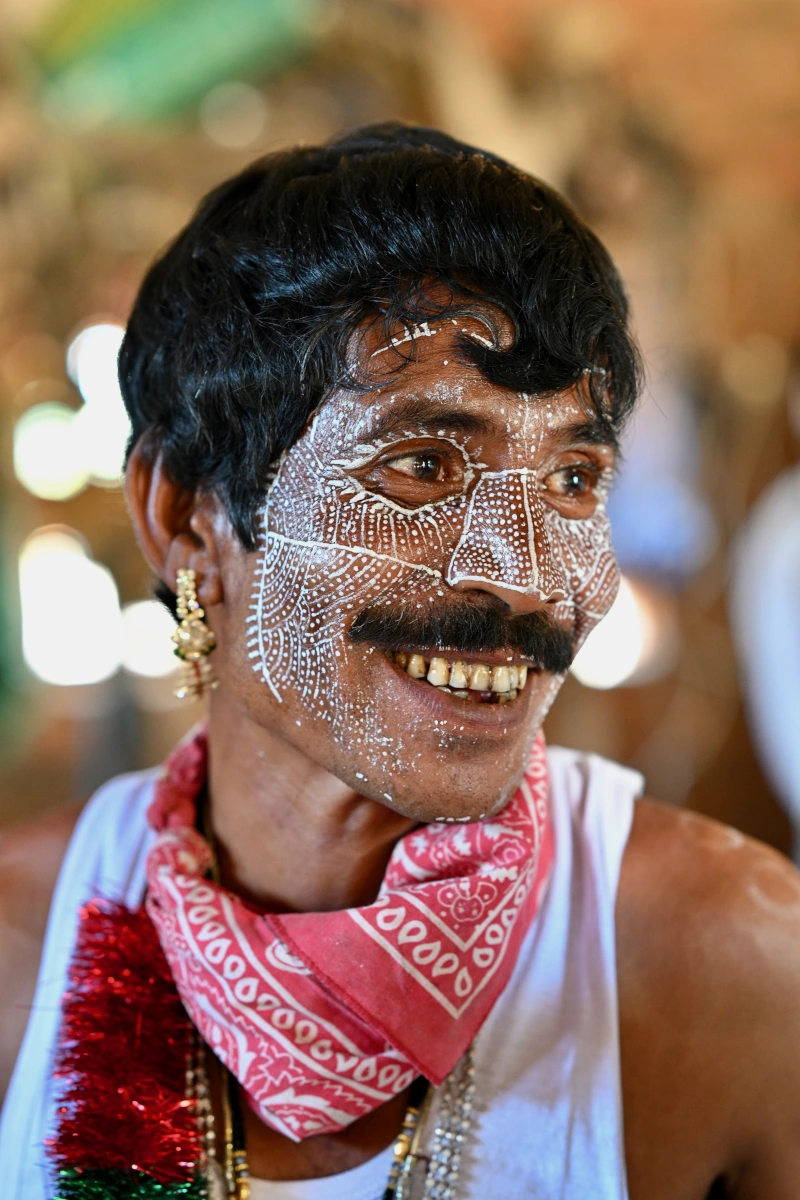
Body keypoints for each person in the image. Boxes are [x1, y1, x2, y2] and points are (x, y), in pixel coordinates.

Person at [1, 124, 799, 1200]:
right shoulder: (17, 950)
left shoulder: (733, 959)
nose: (528, 580)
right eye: (423, 465)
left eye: (571, 479)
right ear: (186, 518)